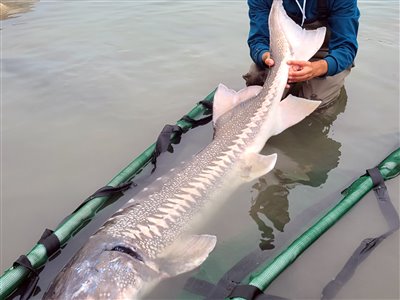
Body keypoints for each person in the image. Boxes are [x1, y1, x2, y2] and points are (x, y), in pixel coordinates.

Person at [243, 0, 360, 109]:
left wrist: (317, 68)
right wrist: (266, 57)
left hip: (324, 51)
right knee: (256, 82)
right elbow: (258, 40)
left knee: (315, 102)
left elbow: (345, 47)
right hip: (279, 49)